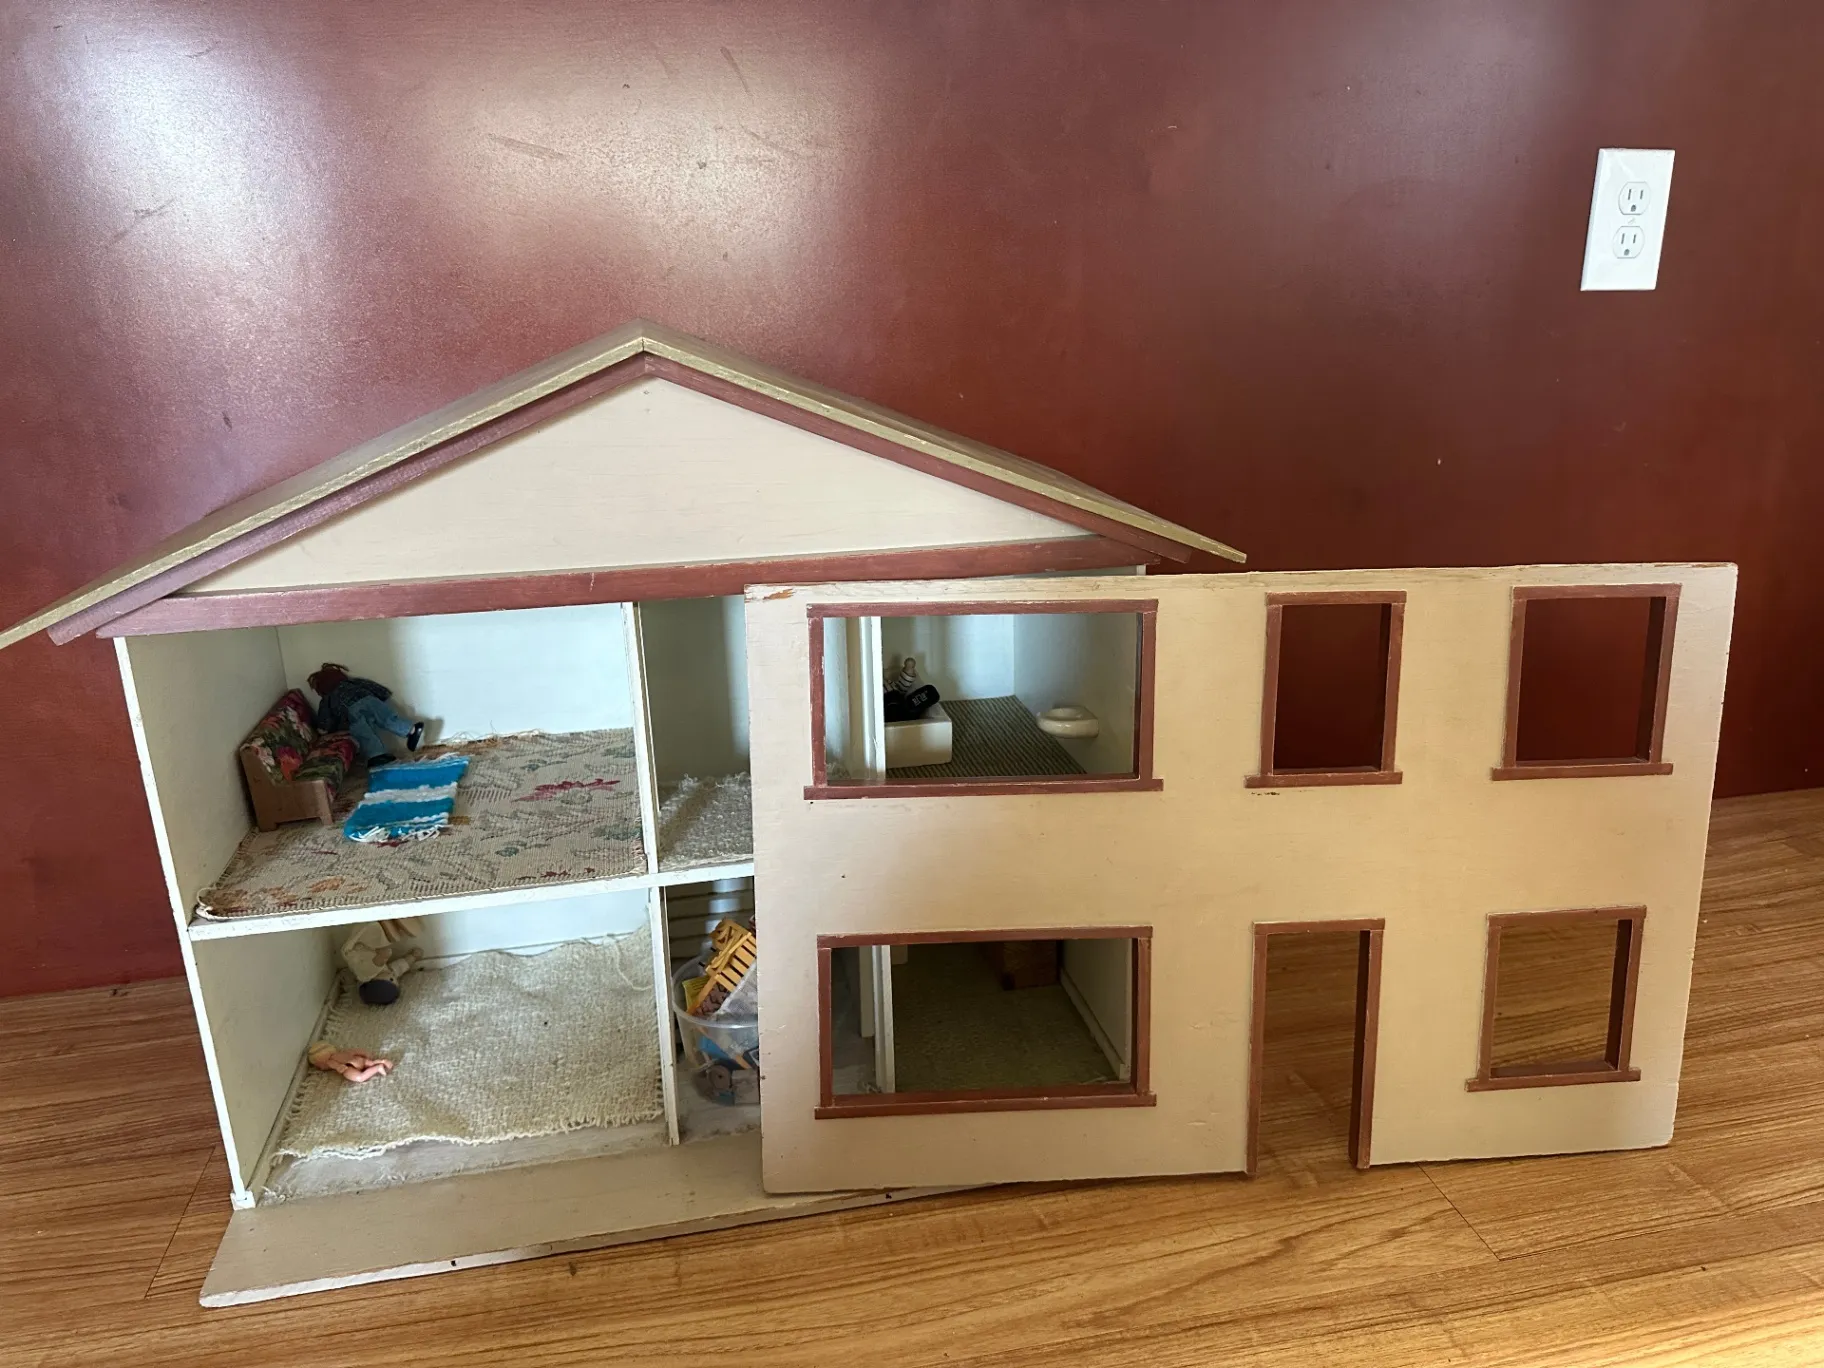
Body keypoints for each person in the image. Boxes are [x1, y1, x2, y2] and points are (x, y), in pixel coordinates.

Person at [306, 662, 424, 765]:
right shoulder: (353, 683)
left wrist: (322, 730)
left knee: (363, 732)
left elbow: (325, 717)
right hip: (371, 700)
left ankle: (377, 755)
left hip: (353, 710)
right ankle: (411, 730)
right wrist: (383, 695)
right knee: (387, 719)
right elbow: (372, 686)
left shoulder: (328, 698)